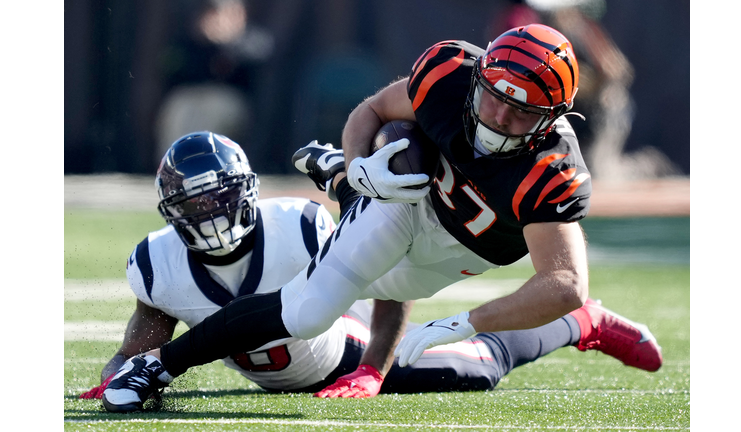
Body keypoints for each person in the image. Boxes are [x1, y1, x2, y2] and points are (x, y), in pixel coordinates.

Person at [101, 24, 663, 412]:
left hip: (455, 254)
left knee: (444, 340)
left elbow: (564, 282)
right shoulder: (450, 74)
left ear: (553, 118)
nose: (499, 114)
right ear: (482, 73)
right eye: (494, 95)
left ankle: (582, 325)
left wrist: (469, 321)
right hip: (406, 201)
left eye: (522, 112)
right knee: (306, 311)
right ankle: (160, 367)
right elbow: (370, 110)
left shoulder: (554, 171)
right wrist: (358, 167)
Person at [83, 130, 616, 408]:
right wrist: (116, 376)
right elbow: (136, 351)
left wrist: (373, 369)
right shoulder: (157, 264)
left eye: (219, 198)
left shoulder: (295, 223)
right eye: (195, 206)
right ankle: (341, 176)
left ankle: (579, 322)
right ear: (171, 213)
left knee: (474, 367)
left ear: (247, 192)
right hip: (284, 365)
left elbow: (389, 271)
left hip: (344, 347)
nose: (212, 215)